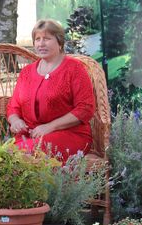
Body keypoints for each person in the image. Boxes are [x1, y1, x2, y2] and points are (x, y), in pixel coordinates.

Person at [7, 19, 95, 160]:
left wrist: (50, 127)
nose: (41, 44)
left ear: (59, 42)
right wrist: (15, 121)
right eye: (37, 39)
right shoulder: (26, 72)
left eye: (47, 39)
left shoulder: (74, 69)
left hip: (69, 135)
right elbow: (13, 107)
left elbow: (85, 108)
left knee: (19, 155)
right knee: (3, 156)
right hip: (29, 136)